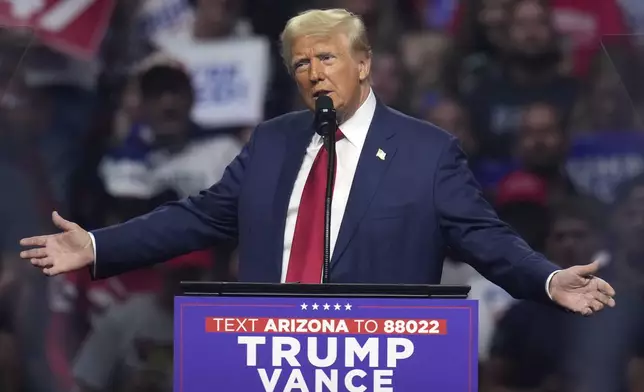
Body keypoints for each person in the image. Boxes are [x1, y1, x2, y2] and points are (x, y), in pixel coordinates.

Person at [19, 8, 614, 316]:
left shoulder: (426, 152)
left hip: (380, 362)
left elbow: (487, 240)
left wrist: (546, 277)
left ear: (363, 64)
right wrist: (98, 246)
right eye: (301, 65)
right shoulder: (273, 142)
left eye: (326, 58)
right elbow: (197, 218)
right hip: (269, 357)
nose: (314, 73)